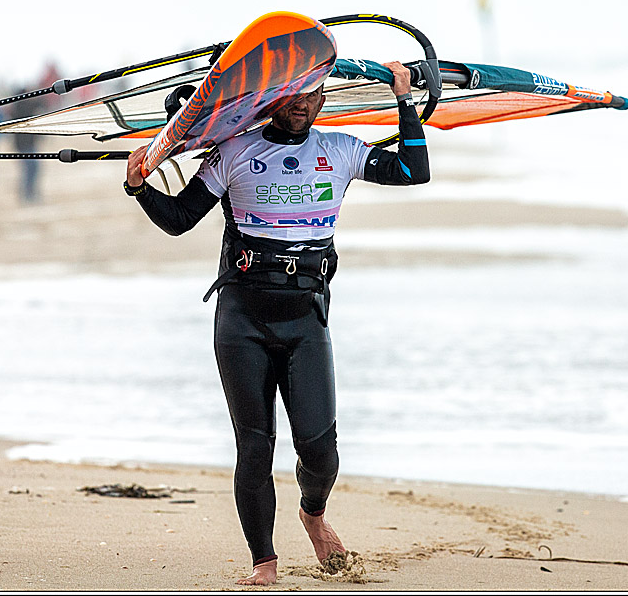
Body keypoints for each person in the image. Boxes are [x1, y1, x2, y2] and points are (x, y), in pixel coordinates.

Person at [124, 61, 429, 586]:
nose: (302, 104)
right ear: (272, 97)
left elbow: (412, 170)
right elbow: (179, 219)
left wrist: (404, 99)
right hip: (242, 319)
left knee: (320, 451)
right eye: (293, 94)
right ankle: (263, 562)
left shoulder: (341, 151)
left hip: (306, 318)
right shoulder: (234, 152)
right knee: (254, 446)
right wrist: (139, 188)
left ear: (323, 100)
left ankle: (313, 514)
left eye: (312, 95)